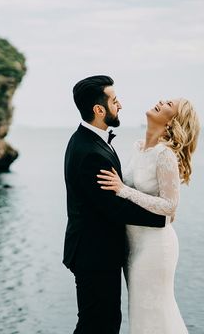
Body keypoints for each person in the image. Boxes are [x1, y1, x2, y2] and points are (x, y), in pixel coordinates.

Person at [63, 75, 166, 334]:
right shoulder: (90, 153)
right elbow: (113, 207)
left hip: (95, 251)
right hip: (94, 253)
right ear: (99, 110)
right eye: (115, 101)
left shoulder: (89, 141)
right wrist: (162, 216)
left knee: (101, 322)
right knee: (98, 325)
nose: (120, 105)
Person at [97, 97, 200, 333]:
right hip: (133, 242)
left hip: (155, 246)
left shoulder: (165, 155)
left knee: (153, 312)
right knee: (141, 313)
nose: (161, 102)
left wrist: (123, 190)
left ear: (173, 121)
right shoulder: (139, 147)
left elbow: (170, 207)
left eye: (169, 105)